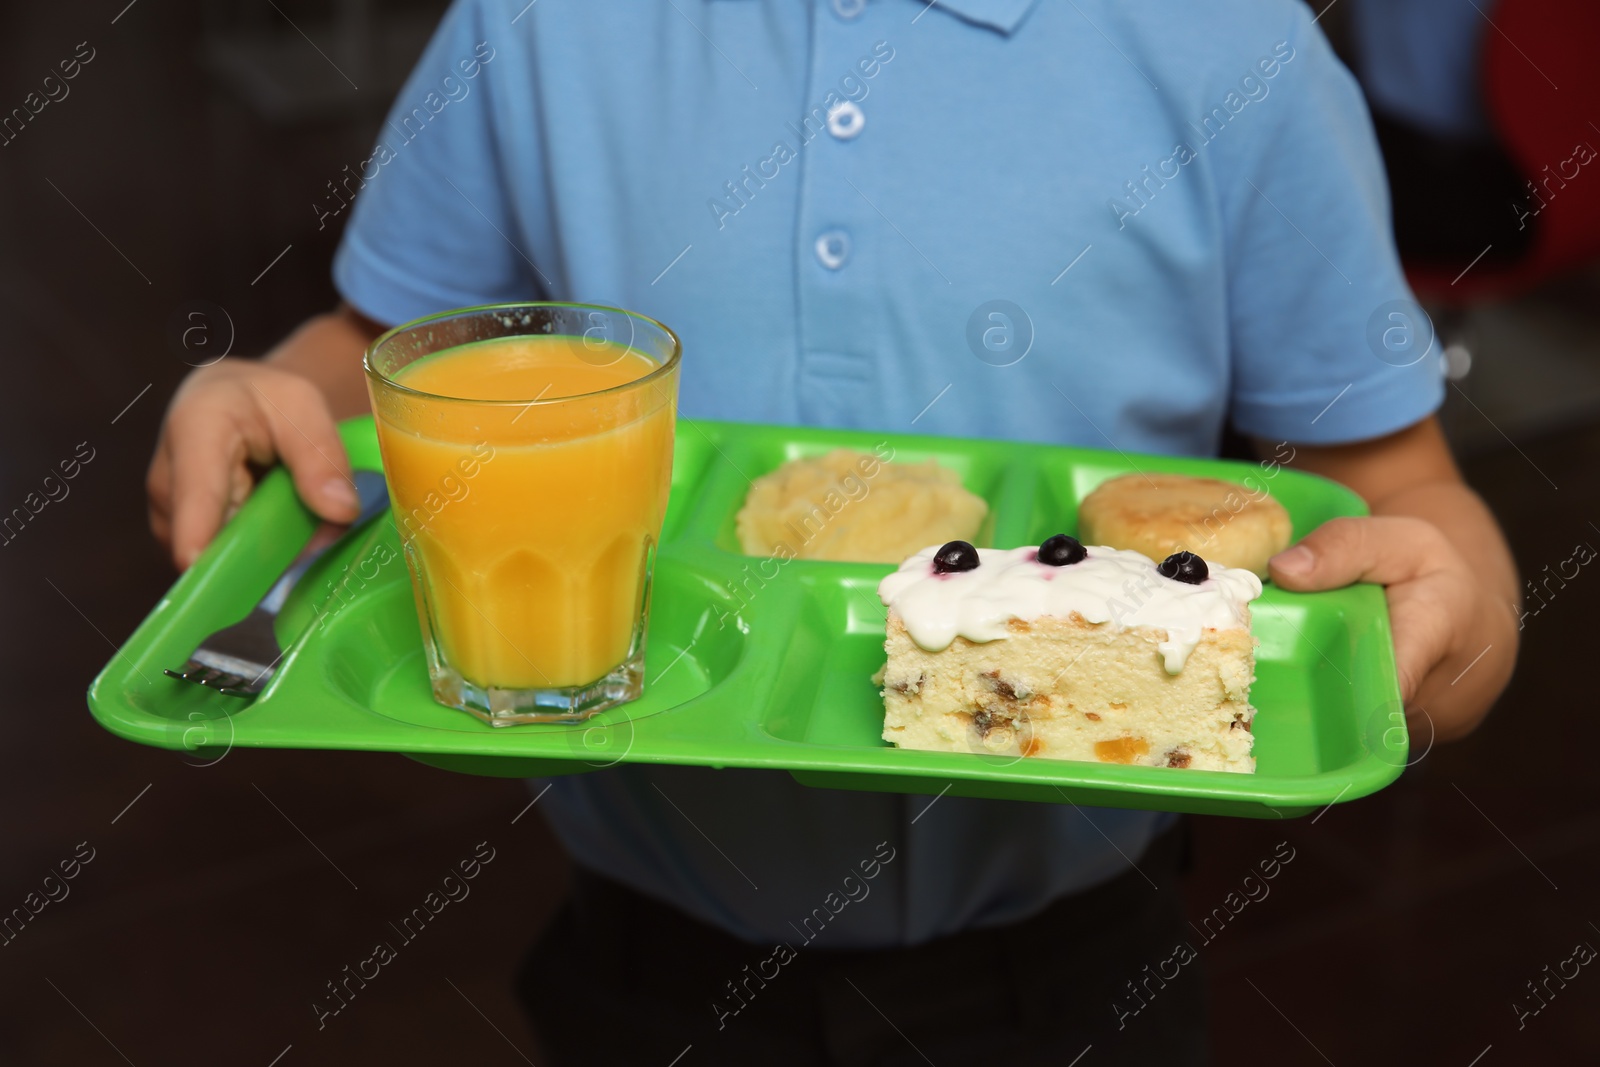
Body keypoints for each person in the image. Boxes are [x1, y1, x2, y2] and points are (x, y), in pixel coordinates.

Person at [146, 1, 1519, 1062]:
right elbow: (384, 355)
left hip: (1076, 968)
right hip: (644, 956)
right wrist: (275, 395)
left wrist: (1458, 634)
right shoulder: (539, 25)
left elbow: (1404, 496)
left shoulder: (1231, 44)